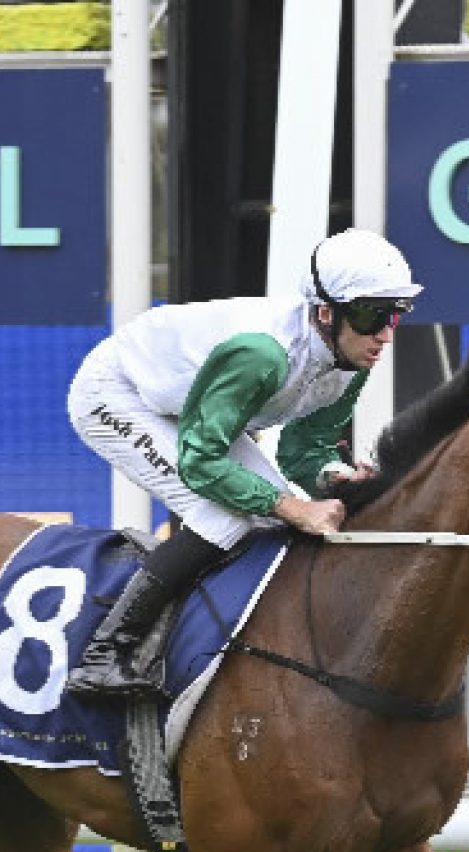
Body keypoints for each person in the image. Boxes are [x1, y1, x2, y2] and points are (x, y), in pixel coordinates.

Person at [62, 227, 422, 698]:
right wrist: (294, 507)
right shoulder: (262, 354)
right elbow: (200, 463)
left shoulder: (352, 360)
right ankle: (104, 653)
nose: (385, 333)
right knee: (228, 515)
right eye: (372, 315)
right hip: (119, 394)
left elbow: (303, 453)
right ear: (325, 312)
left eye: (395, 314)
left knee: (268, 516)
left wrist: (337, 478)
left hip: (189, 406)